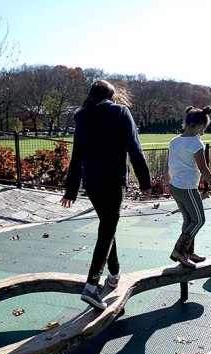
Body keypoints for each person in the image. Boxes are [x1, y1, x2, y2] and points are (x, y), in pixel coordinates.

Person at [61, 80, 152, 310]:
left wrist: (71, 190)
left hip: (91, 183)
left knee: (107, 224)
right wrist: (145, 182)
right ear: (111, 95)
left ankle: (114, 273)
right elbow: (135, 148)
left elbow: (76, 158)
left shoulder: (83, 117)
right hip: (113, 182)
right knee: (108, 228)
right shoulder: (120, 112)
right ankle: (92, 285)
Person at [167, 106, 211, 268]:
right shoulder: (196, 143)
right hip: (187, 188)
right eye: (204, 127)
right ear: (200, 125)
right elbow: (204, 169)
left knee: (188, 220)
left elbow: (168, 165)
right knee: (199, 220)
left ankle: (188, 253)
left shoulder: (174, 141)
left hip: (176, 186)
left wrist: (167, 183)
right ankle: (179, 251)